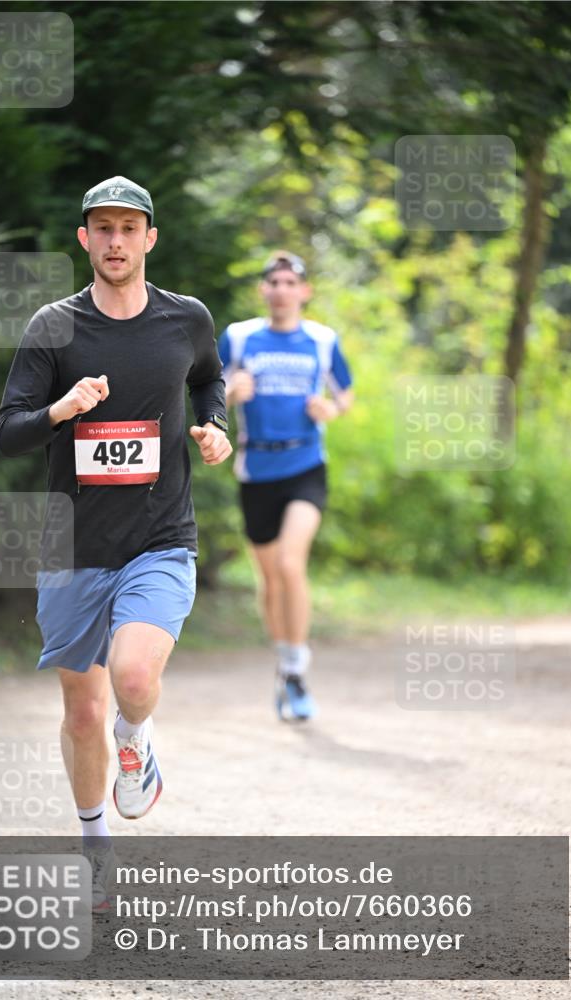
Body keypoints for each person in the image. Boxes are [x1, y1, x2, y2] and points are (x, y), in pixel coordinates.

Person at [0, 176, 231, 908]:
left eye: (129, 228)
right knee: (81, 713)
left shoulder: (185, 319)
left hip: (160, 537)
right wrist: (62, 409)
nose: (116, 241)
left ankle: (140, 736)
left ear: (150, 238)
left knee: (129, 683)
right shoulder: (52, 327)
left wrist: (214, 426)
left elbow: (208, 379)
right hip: (73, 546)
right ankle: (95, 843)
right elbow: (9, 432)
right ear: (85, 239)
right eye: (103, 228)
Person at [218, 251, 353, 722]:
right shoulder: (237, 337)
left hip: (306, 465)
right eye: (273, 282)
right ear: (264, 290)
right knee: (270, 578)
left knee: (292, 563)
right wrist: (232, 392)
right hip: (257, 471)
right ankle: (283, 657)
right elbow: (208, 392)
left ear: (304, 291)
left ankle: (297, 671)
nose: (281, 289)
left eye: (289, 282)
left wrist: (330, 411)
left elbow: (346, 394)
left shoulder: (321, 339)